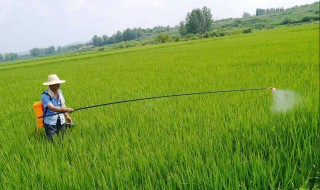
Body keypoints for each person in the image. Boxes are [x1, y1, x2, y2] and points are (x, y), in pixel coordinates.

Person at [41, 74, 73, 140]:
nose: (58, 84)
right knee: (52, 140)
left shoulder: (60, 92)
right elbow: (52, 108)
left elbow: (62, 105)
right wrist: (66, 109)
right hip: (50, 122)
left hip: (61, 120)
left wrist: (66, 116)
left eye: (59, 83)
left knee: (63, 138)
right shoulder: (45, 96)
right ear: (50, 85)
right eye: (56, 83)